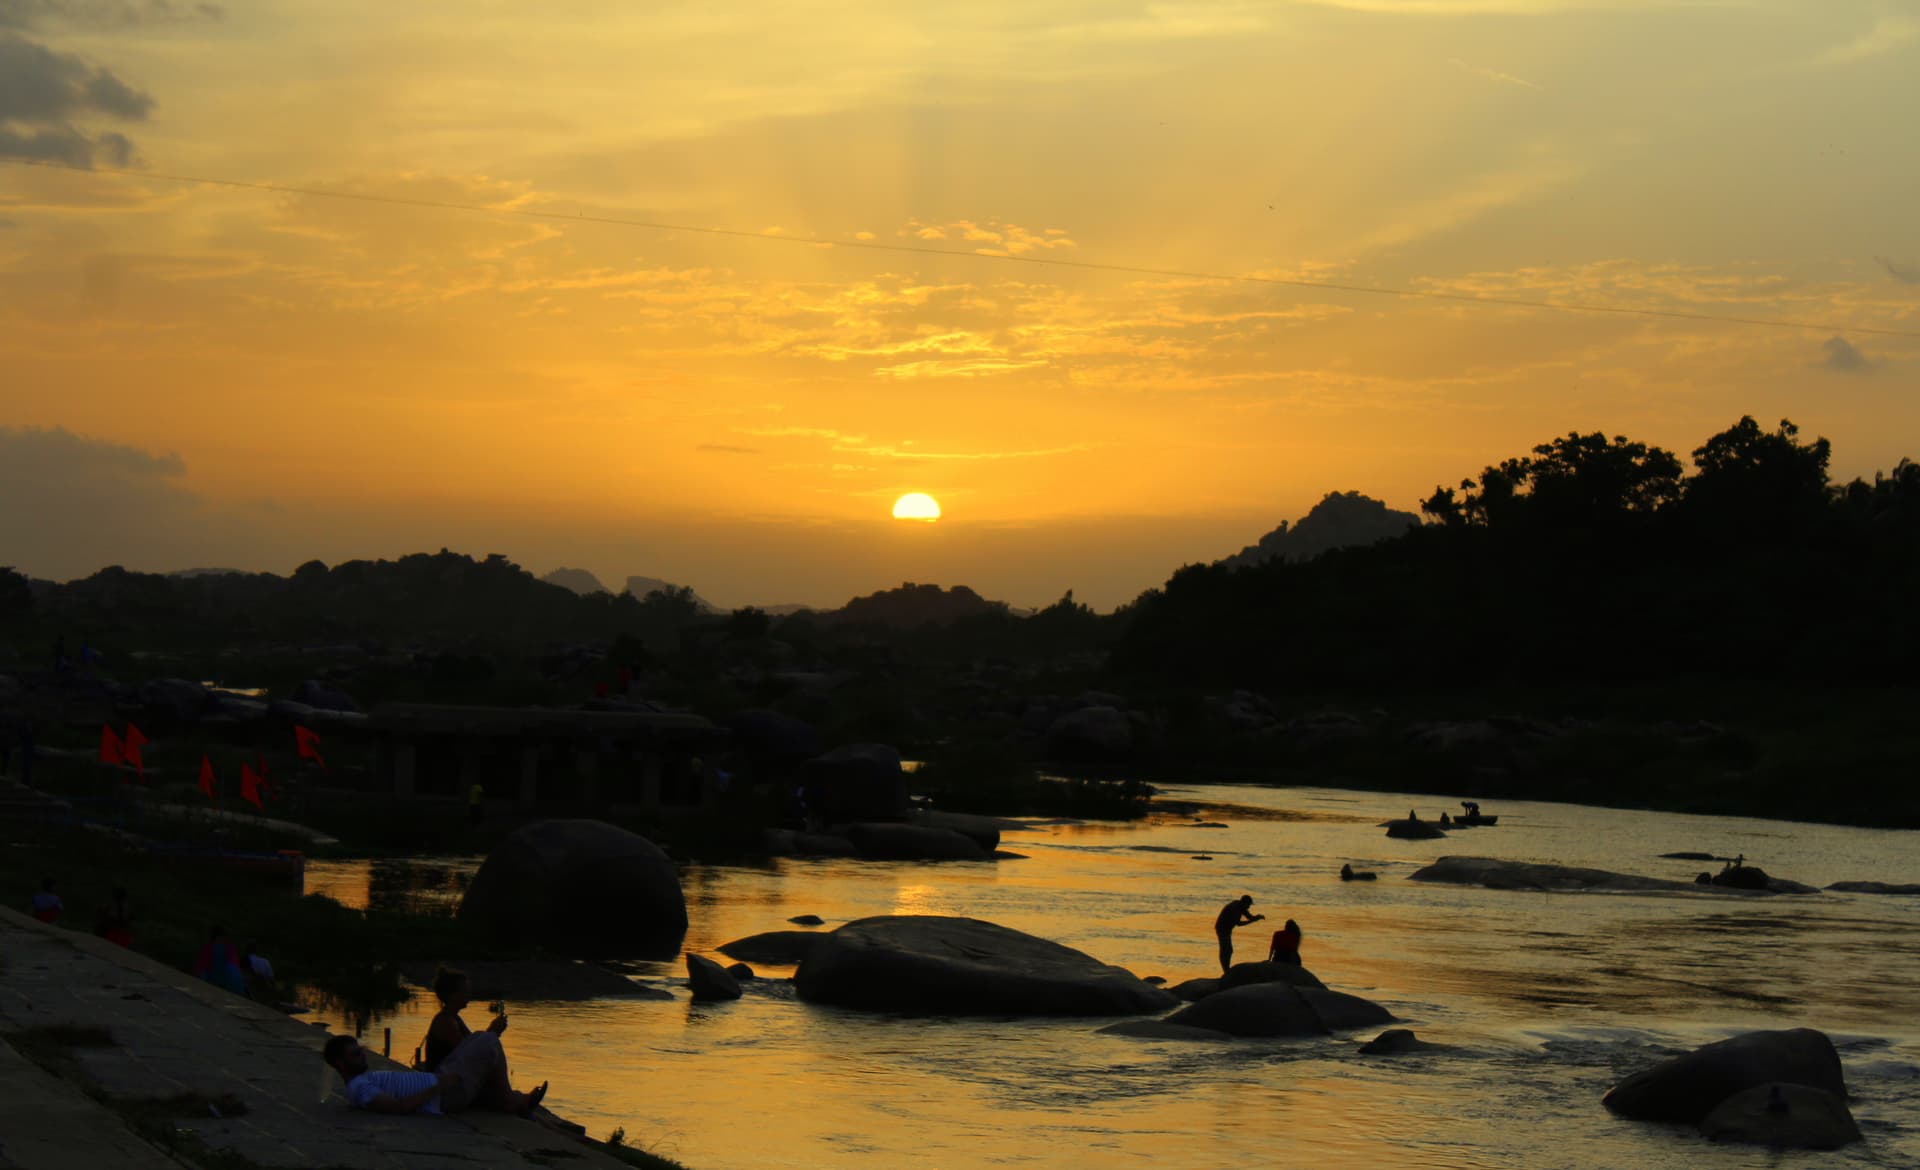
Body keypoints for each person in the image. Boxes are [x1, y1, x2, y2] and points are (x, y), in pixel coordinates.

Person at [324, 1032, 546, 1116]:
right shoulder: (359, 1088)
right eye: (355, 1054)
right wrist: (439, 1086)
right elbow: (397, 1108)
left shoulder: (360, 1082)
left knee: (476, 1038)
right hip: (444, 1095)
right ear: (339, 1063)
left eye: (360, 1050)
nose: (362, 1055)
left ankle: (517, 1102)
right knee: (489, 1041)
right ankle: (510, 1100)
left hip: (441, 1085)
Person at [422, 967, 507, 1073]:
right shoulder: (445, 1023)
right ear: (452, 995)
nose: (469, 994)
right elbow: (469, 1054)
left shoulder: (453, 1018)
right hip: (442, 1082)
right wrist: (493, 1032)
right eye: (465, 990)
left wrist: (492, 1032)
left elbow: (473, 1046)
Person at [1213, 895, 1265, 972]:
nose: (1249, 907)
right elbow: (1239, 923)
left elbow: (1249, 916)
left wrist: (1257, 917)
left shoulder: (1241, 906)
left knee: (1228, 950)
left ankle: (1226, 969)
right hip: (1222, 929)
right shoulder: (1234, 909)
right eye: (1248, 905)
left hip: (1227, 929)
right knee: (1226, 950)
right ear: (1244, 903)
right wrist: (1253, 921)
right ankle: (1226, 970)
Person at [193, 925, 248, 994]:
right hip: (224, 984)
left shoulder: (209, 947)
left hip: (214, 982)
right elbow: (234, 968)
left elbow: (202, 967)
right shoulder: (229, 948)